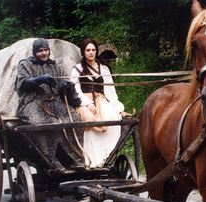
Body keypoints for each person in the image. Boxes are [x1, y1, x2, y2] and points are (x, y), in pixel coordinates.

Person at [15, 38, 85, 170]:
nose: (44, 53)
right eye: (40, 51)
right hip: (32, 103)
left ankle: (75, 158)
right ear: (34, 52)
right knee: (46, 122)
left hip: (54, 102)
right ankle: (51, 160)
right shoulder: (25, 64)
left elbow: (61, 87)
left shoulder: (54, 66)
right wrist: (39, 79)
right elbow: (23, 83)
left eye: (46, 50)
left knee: (74, 118)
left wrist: (66, 86)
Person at [70, 38, 128, 167]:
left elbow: (110, 90)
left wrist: (118, 108)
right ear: (83, 52)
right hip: (83, 102)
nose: (91, 53)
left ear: (96, 51)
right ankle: (91, 160)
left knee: (113, 118)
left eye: (93, 50)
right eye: (88, 50)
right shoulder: (77, 69)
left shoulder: (104, 69)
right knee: (90, 121)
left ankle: (105, 157)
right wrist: (88, 103)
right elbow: (75, 90)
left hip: (101, 100)